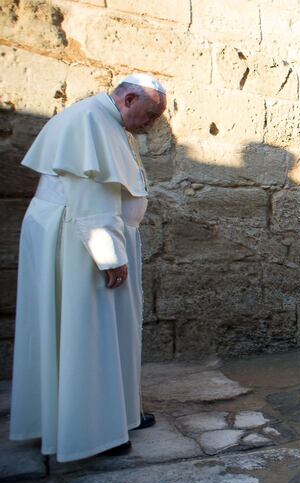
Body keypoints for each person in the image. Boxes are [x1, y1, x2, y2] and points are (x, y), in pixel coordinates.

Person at [9, 74, 167, 461]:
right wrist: (109, 256)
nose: (151, 125)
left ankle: (120, 415)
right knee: (88, 329)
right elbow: (90, 196)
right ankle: (93, 432)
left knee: (109, 330)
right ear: (128, 98)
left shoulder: (106, 121)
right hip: (79, 238)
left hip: (88, 233)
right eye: (149, 115)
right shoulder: (88, 121)